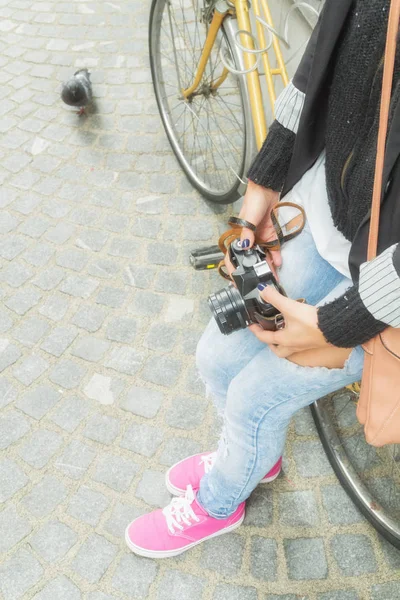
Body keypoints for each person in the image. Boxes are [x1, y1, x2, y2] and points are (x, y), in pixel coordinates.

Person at [125, 0, 400, 558]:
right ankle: (253, 455)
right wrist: (260, 195)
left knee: (256, 397)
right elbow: (319, 65)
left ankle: (219, 501)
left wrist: (337, 324)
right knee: (218, 354)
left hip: (383, 292)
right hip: (327, 213)